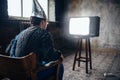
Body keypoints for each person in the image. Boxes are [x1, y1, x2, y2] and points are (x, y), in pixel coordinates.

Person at [5, 0, 64, 80]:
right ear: (43, 22)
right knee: (60, 66)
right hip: (31, 76)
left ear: (31, 20)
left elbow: (8, 50)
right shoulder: (44, 33)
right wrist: (59, 54)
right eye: (46, 22)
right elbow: (50, 56)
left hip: (16, 74)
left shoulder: (21, 33)